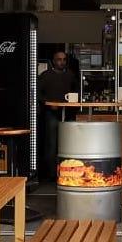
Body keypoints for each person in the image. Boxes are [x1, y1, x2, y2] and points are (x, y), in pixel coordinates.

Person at [38, 50, 76, 182]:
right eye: (59, 59)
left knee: (68, 144)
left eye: (64, 59)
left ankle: (66, 172)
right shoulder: (46, 75)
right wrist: (48, 103)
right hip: (51, 114)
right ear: (53, 61)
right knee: (51, 144)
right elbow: (37, 93)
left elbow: (76, 91)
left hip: (68, 113)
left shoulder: (70, 75)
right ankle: (51, 175)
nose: (62, 62)